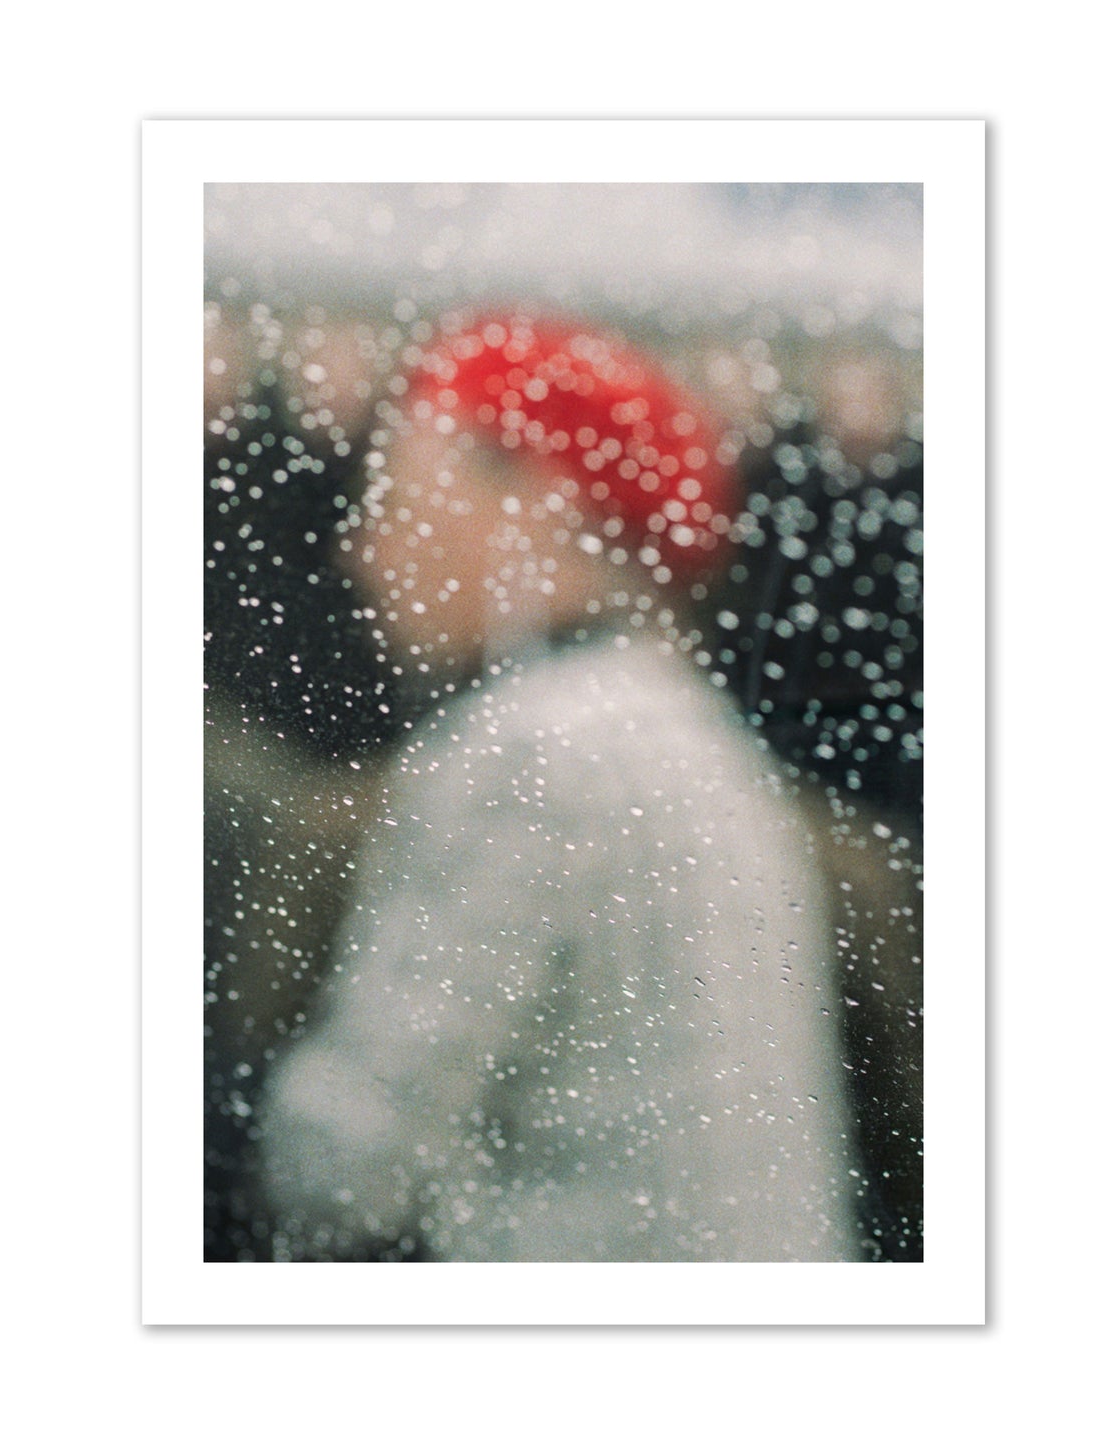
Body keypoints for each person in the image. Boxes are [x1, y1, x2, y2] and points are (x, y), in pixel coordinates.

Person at [261, 314, 866, 1262]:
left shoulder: (535, 749)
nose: (361, 548)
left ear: (531, 504)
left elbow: (347, 1167)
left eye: (394, 498)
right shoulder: (683, 732)